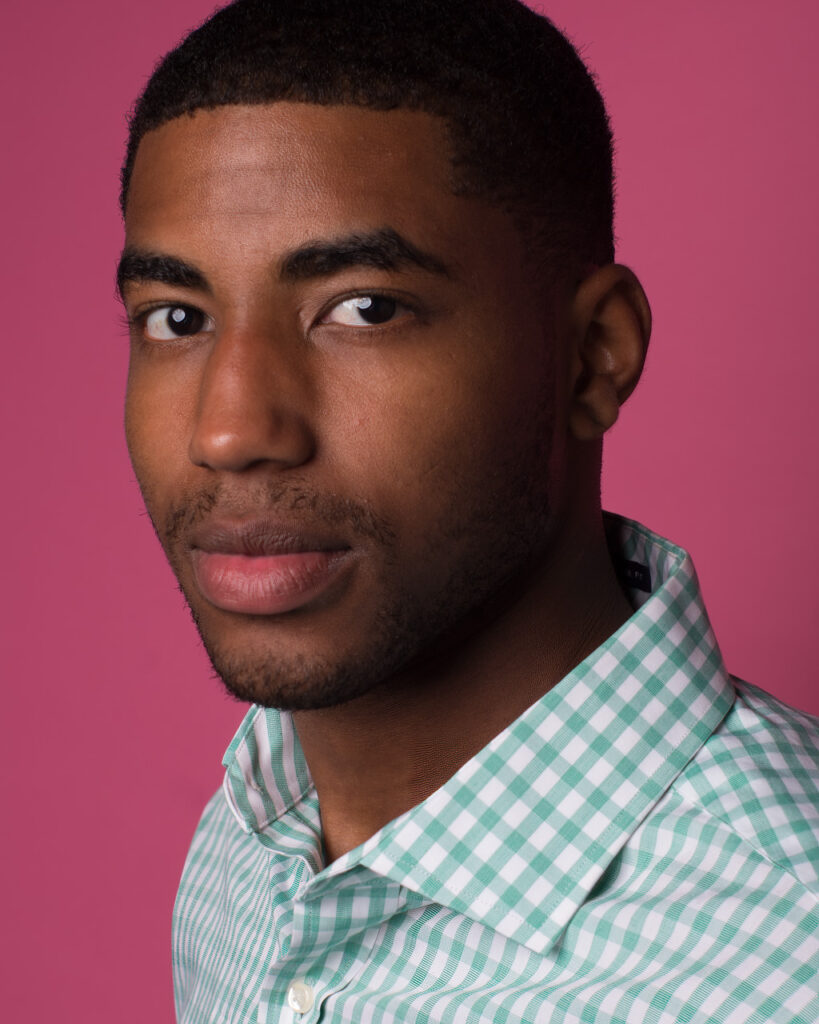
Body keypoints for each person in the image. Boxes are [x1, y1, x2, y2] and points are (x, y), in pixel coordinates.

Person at [117, 0, 819, 1020]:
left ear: (594, 354)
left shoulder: (785, 954)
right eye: (177, 319)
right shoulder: (252, 835)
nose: (230, 430)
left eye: (365, 307)